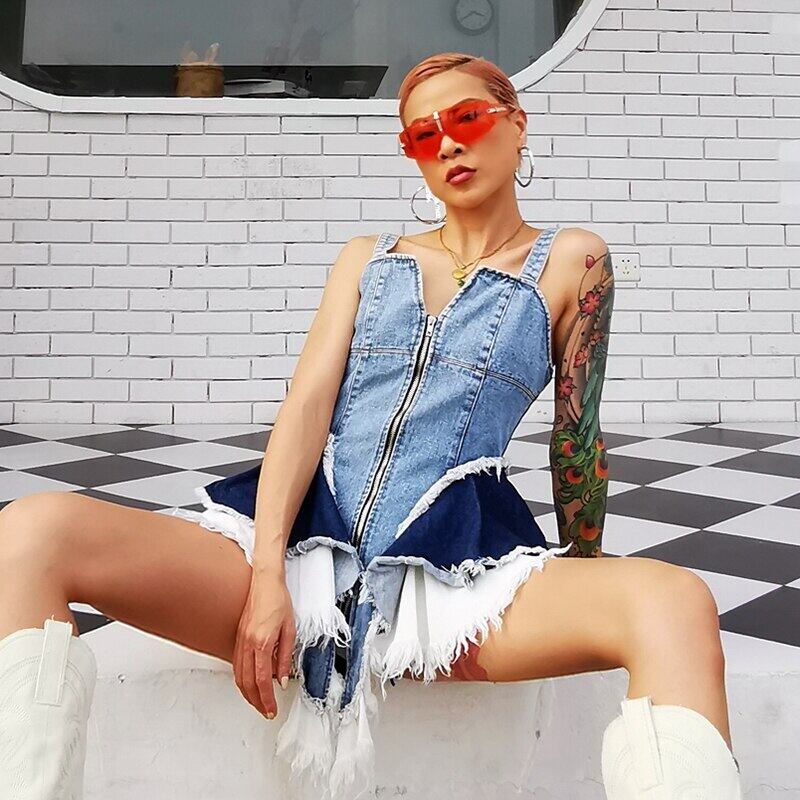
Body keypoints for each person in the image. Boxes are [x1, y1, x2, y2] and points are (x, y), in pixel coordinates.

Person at [0, 52, 742, 800]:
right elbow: (305, 410)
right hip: (303, 555)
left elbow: (576, 435)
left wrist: (587, 563)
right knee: (32, 530)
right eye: (423, 135)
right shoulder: (367, 259)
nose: (448, 144)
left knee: (673, 601)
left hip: (455, 580)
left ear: (517, 125)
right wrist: (267, 578)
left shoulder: (574, 261)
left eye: (467, 119)